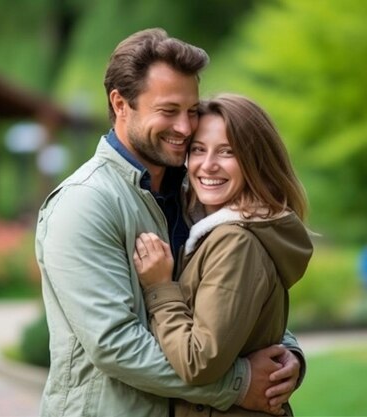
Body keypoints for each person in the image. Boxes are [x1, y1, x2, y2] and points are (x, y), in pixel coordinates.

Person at [35, 28, 305, 417]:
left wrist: (286, 357)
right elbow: (116, 345)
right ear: (121, 104)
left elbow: (232, 296)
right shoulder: (85, 203)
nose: (184, 127)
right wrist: (239, 383)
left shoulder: (196, 193)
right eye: (168, 111)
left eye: (192, 110)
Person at [132, 94, 313, 416]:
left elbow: (198, 361)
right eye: (199, 149)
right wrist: (292, 353)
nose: (208, 164)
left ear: (256, 161)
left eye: (227, 152)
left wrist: (159, 288)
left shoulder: (235, 242)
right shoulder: (212, 229)